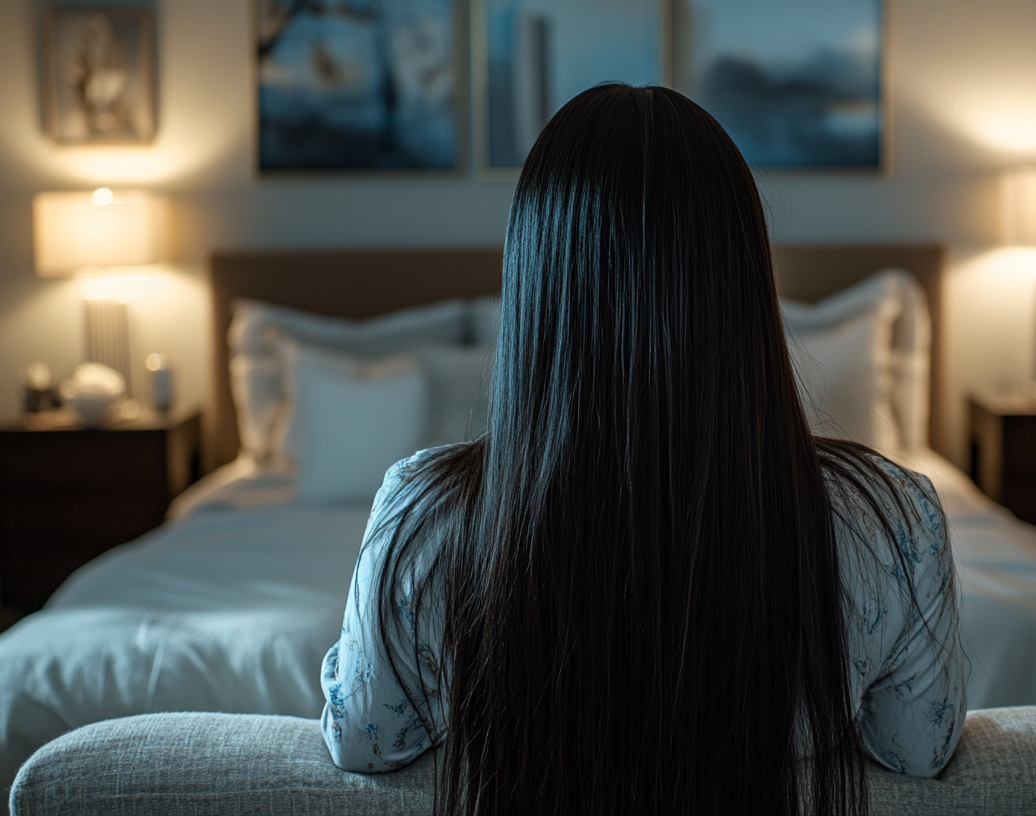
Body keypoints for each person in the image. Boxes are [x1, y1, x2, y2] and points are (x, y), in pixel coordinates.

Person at [320, 84, 963, 815]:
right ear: (743, 285)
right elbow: (917, 748)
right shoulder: (891, 522)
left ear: (534, 289)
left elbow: (365, 740)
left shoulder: (424, 518)